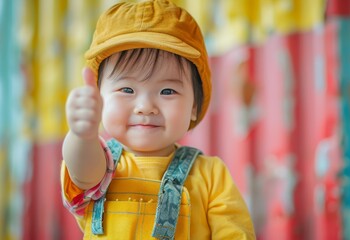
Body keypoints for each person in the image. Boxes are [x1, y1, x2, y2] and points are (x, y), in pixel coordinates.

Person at [60, 0, 256, 239]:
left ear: (194, 106)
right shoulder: (99, 162)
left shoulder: (211, 175)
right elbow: (82, 170)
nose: (145, 107)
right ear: (99, 99)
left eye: (167, 91)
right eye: (127, 90)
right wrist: (82, 135)